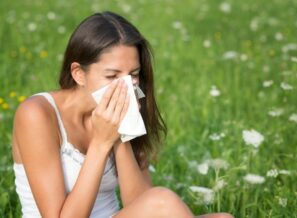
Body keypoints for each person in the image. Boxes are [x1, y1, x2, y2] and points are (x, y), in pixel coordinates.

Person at [12, 11, 233, 218]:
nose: (126, 85)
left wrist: (122, 133)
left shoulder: (129, 106)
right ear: (79, 74)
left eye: (133, 75)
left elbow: (141, 205)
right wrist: (100, 143)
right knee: (163, 200)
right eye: (112, 75)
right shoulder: (37, 114)